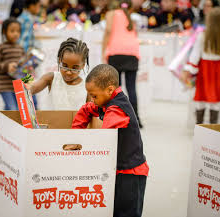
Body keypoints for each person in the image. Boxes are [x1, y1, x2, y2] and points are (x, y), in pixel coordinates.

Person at [72, 64, 149, 217]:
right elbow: (86, 109)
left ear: (109, 89)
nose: (93, 101)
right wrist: (75, 136)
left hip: (130, 173)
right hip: (118, 170)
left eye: (94, 96)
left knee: (127, 213)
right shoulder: (105, 101)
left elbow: (104, 139)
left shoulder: (117, 110)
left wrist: (83, 148)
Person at [102, 0, 143, 128]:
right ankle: (136, 119)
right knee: (132, 88)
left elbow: (108, 31)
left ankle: (115, 117)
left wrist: (104, 50)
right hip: (132, 52)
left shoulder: (111, 14)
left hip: (115, 52)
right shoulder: (132, 16)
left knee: (114, 89)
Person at [182, 7, 220, 124]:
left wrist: (188, 70)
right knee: (216, 101)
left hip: (204, 71)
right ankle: (213, 132)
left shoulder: (202, 36)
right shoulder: (203, 35)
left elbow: (195, 55)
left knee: (201, 100)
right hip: (217, 71)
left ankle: (200, 130)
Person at [28, 38, 89, 110]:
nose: (69, 72)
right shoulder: (51, 78)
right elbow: (29, 90)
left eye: (74, 68)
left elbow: (90, 114)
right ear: (60, 60)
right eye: (65, 66)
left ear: (83, 65)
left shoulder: (87, 87)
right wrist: (25, 71)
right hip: (51, 121)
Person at [0, 18, 24, 111]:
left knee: (12, 110)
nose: (16, 34)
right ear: (4, 32)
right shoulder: (1, 47)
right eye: (12, 31)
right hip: (4, 85)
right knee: (12, 109)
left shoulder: (20, 48)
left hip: (17, 85)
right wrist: (7, 66)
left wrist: (29, 66)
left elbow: (23, 65)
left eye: (18, 31)